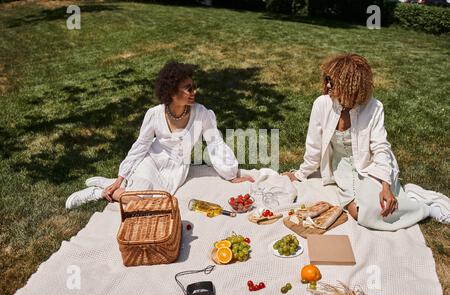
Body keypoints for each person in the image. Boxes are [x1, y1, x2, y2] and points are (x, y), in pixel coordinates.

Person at [282, 53, 449, 230]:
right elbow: (313, 146)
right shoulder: (322, 104)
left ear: (352, 87)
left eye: (334, 82)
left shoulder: (374, 107)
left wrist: (386, 184)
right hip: (343, 167)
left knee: (384, 205)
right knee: (360, 213)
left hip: (371, 164)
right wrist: (300, 174)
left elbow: (380, 147)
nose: (328, 86)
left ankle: (426, 207)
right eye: (328, 79)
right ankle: (415, 202)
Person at [66, 61, 254, 209]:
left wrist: (231, 175)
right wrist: (119, 178)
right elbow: (140, 146)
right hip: (151, 161)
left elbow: (215, 143)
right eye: (188, 88)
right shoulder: (154, 114)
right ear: (172, 92)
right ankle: (98, 192)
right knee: (137, 200)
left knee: (156, 204)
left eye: (193, 86)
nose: (194, 91)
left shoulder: (202, 113)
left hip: (176, 170)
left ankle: (108, 188)